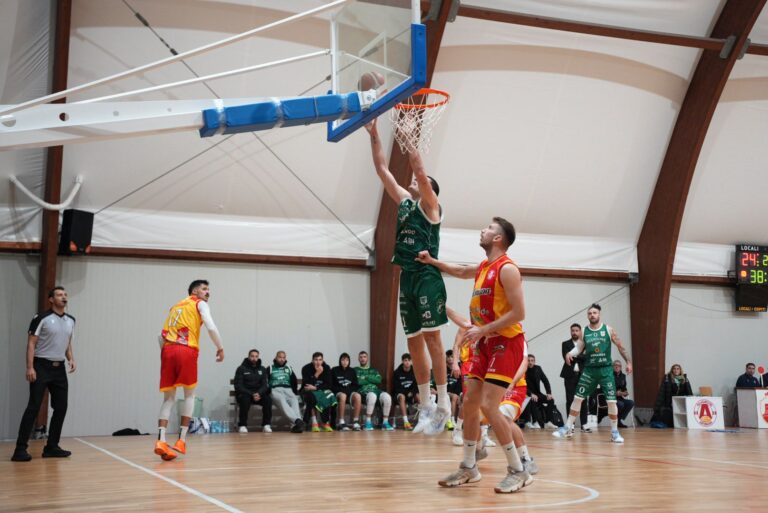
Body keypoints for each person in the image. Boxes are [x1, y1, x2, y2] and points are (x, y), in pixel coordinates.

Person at [419, 217, 533, 493]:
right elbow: (459, 271)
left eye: (489, 228)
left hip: (506, 343)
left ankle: (519, 471)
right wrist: (433, 262)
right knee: (470, 404)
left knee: (489, 406)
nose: (483, 230)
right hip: (485, 343)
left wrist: (484, 330)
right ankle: (469, 466)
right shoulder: (484, 266)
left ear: (498, 239)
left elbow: (519, 314)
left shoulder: (507, 269)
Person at [366, 118, 451, 435]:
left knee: (433, 340)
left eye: (423, 181)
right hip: (406, 278)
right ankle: (427, 405)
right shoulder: (404, 202)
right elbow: (382, 169)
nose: (416, 180)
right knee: (414, 343)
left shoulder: (431, 207)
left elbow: (417, 167)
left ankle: (444, 405)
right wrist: (374, 133)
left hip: (427, 276)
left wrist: (407, 133)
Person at [155, 279, 224, 461]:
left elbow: (160, 336)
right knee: (189, 396)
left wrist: (167, 353)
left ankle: (161, 441)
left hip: (168, 350)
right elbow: (210, 325)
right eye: (204, 288)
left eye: (209, 289)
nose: (208, 292)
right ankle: (181, 440)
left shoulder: (175, 306)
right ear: (195, 291)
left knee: (168, 398)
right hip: (186, 350)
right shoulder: (199, 303)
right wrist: (220, 347)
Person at [11, 286, 76, 462]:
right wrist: (30, 367)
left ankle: (52, 447)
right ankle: (20, 449)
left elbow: (67, 341)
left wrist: (71, 357)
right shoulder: (42, 318)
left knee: (61, 407)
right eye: (59, 295)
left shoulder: (71, 320)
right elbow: (31, 343)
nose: (64, 297)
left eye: (65, 294)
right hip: (41, 366)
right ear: (51, 299)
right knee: (33, 407)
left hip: (59, 369)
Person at [554, 303, 632, 444]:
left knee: (611, 401)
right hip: (589, 370)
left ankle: (614, 432)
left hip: (605, 370)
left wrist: (629, 362)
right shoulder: (584, 331)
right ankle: (567, 427)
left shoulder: (608, 329)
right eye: (590, 313)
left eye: (594, 313)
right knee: (577, 398)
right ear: (587, 316)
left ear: (599, 314)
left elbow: (620, 347)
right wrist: (569, 353)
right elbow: (579, 348)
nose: (592, 315)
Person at [499, 344, 539, 476]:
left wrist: (511, 383)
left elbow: (524, 362)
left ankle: (525, 458)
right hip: (497, 385)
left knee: (505, 418)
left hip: (515, 386)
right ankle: (477, 450)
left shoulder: (517, 337)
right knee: (479, 415)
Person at [354, 351, 394, 431]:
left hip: (376, 390)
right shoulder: (355, 370)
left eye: (364, 357)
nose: (363, 359)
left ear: (367, 358)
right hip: (363, 391)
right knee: (372, 396)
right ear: (358, 359)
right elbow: (358, 381)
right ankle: (368, 423)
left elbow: (378, 380)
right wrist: (371, 379)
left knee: (387, 397)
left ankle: (385, 423)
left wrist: (365, 378)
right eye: (361, 357)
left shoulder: (373, 370)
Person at [266, 350, 304, 433]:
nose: (282, 359)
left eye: (283, 357)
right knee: (282, 401)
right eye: (280, 357)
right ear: (276, 358)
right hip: (275, 389)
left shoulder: (288, 368)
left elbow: (294, 380)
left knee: (294, 400)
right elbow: (265, 380)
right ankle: (297, 420)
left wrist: (294, 392)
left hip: (288, 389)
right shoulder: (270, 368)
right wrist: (268, 391)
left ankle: (296, 426)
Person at [234, 349, 272, 433]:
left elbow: (265, 385)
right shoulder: (241, 369)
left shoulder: (262, 369)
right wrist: (252, 394)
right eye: (252, 356)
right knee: (245, 400)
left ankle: (266, 425)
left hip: (259, 394)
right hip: (245, 394)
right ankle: (242, 425)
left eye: (256, 356)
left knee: (268, 400)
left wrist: (259, 393)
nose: (254, 358)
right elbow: (238, 386)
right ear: (248, 357)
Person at [560, 323, 589, 431]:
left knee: (583, 399)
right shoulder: (565, 344)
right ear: (570, 331)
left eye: (577, 330)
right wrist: (579, 356)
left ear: (580, 332)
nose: (575, 332)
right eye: (573, 330)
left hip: (583, 375)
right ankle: (570, 424)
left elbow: (586, 357)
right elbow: (566, 357)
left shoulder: (585, 344)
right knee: (570, 399)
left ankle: (584, 424)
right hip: (569, 375)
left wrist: (574, 355)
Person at [301, 352, 336, 432]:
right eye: (316, 360)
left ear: (323, 360)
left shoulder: (326, 368)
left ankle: (325, 422)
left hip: (320, 389)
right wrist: (317, 374)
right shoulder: (306, 368)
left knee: (329, 395)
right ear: (312, 360)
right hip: (307, 391)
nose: (318, 362)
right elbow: (307, 385)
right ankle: (314, 422)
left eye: (320, 360)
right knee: (311, 396)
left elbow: (329, 384)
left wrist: (316, 387)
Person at [523, 354, 558, 430]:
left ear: (534, 361)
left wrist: (549, 393)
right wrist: (530, 394)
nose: (530, 362)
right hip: (527, 394)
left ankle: (548, 422)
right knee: (531, 399)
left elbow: (545, 381)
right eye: (528, 360)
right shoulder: (523, 370)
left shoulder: (538, 368)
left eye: (532, 361)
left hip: (537, 393)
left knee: (551, 400)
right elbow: (522, 385)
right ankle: (534, 422)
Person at [331, 352, 360, 431]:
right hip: (338, 393)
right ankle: (341, 422)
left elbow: (355, 385)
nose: (345, 362)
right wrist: (342, 391)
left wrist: (348, 391)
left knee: (358, 396)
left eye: (347, 360)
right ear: (340, 361)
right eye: (343, 360)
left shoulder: (352, 371)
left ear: (349, 361)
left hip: (349, 392)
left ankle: (355, 422)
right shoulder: (334, 370)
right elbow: (331, 385)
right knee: (343, 395)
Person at [393, 353, 419, 430]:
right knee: (402, 397)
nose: (407, 362)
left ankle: (423, 420)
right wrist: (407, 393)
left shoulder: (415, 371)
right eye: (405, 360)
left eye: (409, 360)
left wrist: (413, 393)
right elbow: (396, 387)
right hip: (400, 394)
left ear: (411, 361)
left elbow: (417, 386)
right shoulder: (397, 372)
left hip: (411, 394)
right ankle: (406, 422)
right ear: (402, 362)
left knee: (419, 396)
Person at [613, 360, 634, 428]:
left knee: (631, 402)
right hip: (611, 398)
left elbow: (624, 388)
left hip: (620, 397)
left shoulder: (623, 376)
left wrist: (625, 392)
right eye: (615, 365)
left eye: (619, 366)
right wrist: (616, 393)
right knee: (620, 404)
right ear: (613, 367)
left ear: (621, 367)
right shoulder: (609, 375)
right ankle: (616, 421)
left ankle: (619, 420)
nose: (617, 367)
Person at [445, 350, 463, 430]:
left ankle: (455, 420)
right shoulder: (443, 369)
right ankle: (452, 420)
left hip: (456, 393)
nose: (450, 358)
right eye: (448, 357)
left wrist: (459, 393)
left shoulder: (459, 368)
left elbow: (460, 383)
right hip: (445, 392)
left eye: (452, 356)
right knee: (454, 397)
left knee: (457, 397)